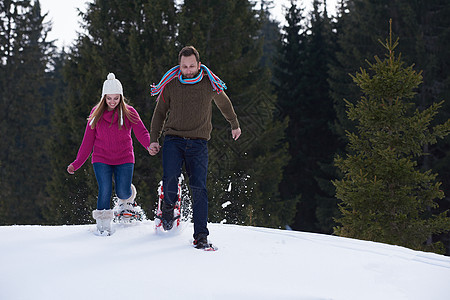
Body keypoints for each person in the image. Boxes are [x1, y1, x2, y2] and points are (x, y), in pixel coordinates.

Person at [149, 46, 241, 249]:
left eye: (192, 66)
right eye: (184, 66)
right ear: (179, 65)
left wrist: (234, 124)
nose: (188, 70)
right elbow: (160, 113)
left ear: (199, 65)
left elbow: (224, 104)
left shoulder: (209, 83)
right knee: (170, 177)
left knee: (199, 188)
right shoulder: (171, 83)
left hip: (198, 143)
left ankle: (201, 235)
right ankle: (168, 206)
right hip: (173, 139)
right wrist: (154, 139)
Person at [67, 73, 152, 235]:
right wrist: (76, 163)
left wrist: (149, 146)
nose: (112, 102)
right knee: (104, 188)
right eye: (109, 99)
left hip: (124, 158)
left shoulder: (129, 112)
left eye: (116, 98)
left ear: (121, 97)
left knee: (122, 192)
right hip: (101, 158)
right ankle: (103, 225)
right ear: (103, 98)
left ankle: (128, 195)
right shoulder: (96, 114)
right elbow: (87, 142)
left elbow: (142, 133)